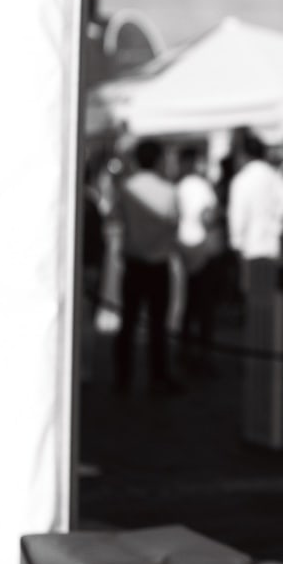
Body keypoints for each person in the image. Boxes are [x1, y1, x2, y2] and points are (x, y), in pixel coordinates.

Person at [114, 139, 181, 395]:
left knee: (127, 323)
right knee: (157, 326)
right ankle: (158, 377)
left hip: (134, 265)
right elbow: (174, 225)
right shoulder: (168, 190)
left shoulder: (126, 188)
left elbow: (118, 221)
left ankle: (123, 378)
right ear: (157, 160)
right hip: (158, 266)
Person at [228, 131, 283, 330]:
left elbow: (237, 215)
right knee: (269, 302)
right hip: (272, 246)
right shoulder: (275, 177)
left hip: (251, 248)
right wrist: (278, 225)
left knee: (253, 302)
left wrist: (236, 242)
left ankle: (257, 349)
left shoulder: (242, 179)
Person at [175, 145, 225, 374]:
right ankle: (203, 354)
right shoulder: (201, 186)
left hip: (184, 251)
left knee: (189, 306)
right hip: (203, 251)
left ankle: (185, 351)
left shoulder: (177, 186)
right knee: (205, 308)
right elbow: (209, 216)